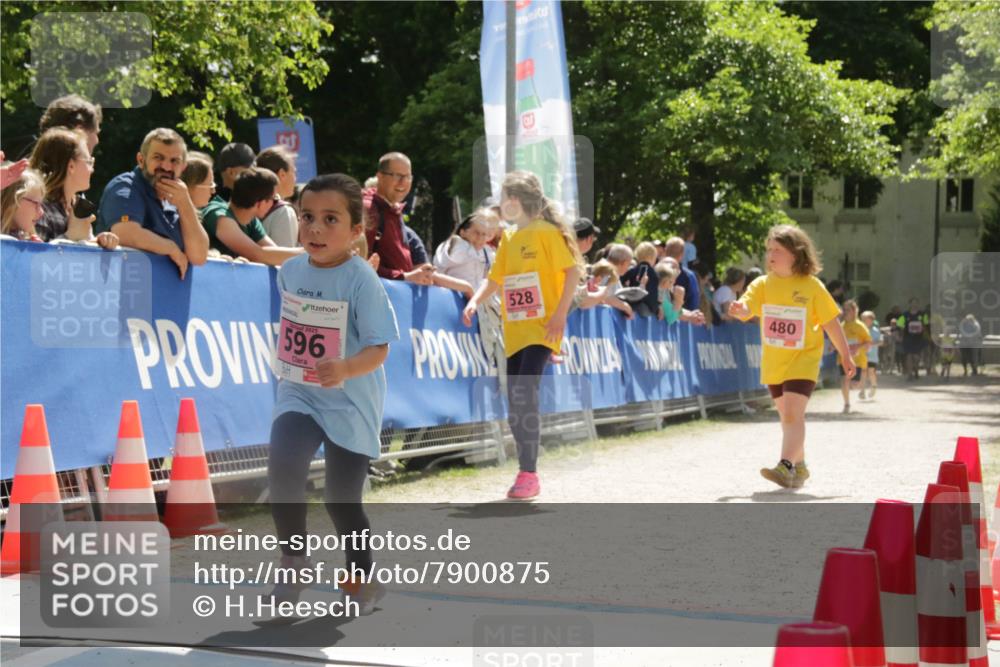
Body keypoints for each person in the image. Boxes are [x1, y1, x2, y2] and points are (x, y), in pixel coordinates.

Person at [266, 173, 399, 616]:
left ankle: (362, 578)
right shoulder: (290, 271)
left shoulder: (361, 279)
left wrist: (343, 368)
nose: (315, 229)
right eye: (307, 217)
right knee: (283, 471)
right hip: (299, 394)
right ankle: (294, 563)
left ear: (356, 229)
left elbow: (379, 348)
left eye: (330, 219)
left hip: (351, 401)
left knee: (341, 500)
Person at [462, 171, 583, 500]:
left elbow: (572, 272)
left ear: (515, 201)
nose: (500, 204)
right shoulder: (510, 237)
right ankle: (525, 470)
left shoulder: (546, 232)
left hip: (543, 328)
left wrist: (560, 315)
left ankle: (529, 473)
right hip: (514, 330)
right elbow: (495, 279)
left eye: (503, 198)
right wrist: (474, 301)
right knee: (516, 400)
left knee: (525, 393)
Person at [728, 224, 854, 489]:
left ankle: (785, 466)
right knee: (787, 417)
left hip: (804, 359)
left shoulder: (812, 286)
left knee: (793, 413)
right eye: (769, 250)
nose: (770, 255)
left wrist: (845, 354)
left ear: (795, 254)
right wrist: (740, 309)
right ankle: (801, 465)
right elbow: (748, 307)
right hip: (775, 362)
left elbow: (831, 323)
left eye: (777, 250)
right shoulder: (762, 284)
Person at [95, 128, 209, 278]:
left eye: (174, 161)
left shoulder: (179, 198)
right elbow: (126, 234)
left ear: (183, 167)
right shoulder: (126, 187)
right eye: (158, 158)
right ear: (141, 160)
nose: (166, 167)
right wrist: (171, 248)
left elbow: (199, 257)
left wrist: (185, 204)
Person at [29, 127, 118, 248]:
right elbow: (33, 256)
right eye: (89, 162)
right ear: (71, 166)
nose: (92, 169)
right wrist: (70, 236)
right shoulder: (39, 209)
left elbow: (82, 248)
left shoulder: (77, 207)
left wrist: (99, 242)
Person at [200, 167, 304, 266]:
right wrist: (308, 253)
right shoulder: (218, 214)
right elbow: (257, 254)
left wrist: (309, 252)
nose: (275, 203)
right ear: (259, 203)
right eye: (274, 198)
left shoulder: (251, 221)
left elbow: (274, 254)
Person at [364, 152, 435, 285]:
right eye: (397, 176)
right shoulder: (368, 210)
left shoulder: (394, 211)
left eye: (407, 177)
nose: (403, 182)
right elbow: (357, 263)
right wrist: (404, 277)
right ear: (380, 176)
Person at [433, 207, 498, 295]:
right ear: (463, 232)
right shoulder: (458, 245)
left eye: (484, 234)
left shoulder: (485, 252)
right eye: (476, 232)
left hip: (474, 299)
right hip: (453, 297)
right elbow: (438, 271)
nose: (480, 238)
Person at [254, 145, 299, 247]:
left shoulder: (250, 207)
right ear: (282, 174)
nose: (295, 179)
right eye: (294, 172)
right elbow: (286, 255)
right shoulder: (284, 212)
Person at [838, 299, 871, 414]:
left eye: (848, 310)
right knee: (844, 380)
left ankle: (860, 385)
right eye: (844, 309)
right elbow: (837, 340)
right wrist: (833, 346)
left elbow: (868, 342)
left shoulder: (860, 326)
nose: (845, 312)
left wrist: (858, 347)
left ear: (854, 311)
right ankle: (846, 404)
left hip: (857, 360)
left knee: (854, 385)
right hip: (843, 359)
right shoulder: (841, 326)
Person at [1, 168, 46, 240]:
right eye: (35, 203)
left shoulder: (24, 238)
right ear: (14, 200)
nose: (41, 212)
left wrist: (36, 247)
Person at [621, 242, 659, 317]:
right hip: (647, 308)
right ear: (653, 258)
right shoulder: (654, 274)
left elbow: (621, 280)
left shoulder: (633, 270)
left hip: (632, 303)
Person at [663, 236, 701, 311]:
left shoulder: (655, 271)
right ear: (682, 254)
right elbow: (694, 303)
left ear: (665, 251)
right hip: (683, 315)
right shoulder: (689, 276)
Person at [895, 298, 928, 380]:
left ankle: (916, 369)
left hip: (919, 338)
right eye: (912, 303)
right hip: (908, 338)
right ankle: (910, 374)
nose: (914, 305)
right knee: (909, 355)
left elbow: (926, 326)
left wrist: (926, 334)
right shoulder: (905, 315)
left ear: (918, 304)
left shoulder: (923, 314)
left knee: (916, 357)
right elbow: (899, 326)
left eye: (916, 303)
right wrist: (898, 336)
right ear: (909, 304)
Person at [859, 310, 882, 399]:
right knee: (863, 372)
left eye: (866, 319)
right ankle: (862, 391)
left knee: (871, 372)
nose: (864, 321)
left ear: (872, 320)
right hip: (862, 354)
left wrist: (871, 344)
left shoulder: (876, 331)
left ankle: (873, 386)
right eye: (862, 319)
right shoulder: (860, 329)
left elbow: (881, 342)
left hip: (872, 355)